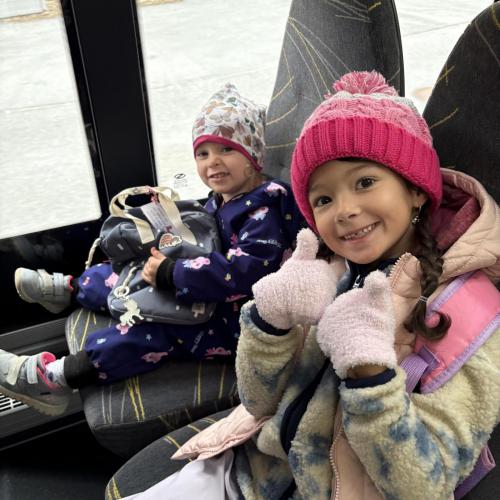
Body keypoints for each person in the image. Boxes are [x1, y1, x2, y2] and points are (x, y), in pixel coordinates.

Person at [117, 71, 500, 499]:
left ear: (415, 189)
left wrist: (370, 378)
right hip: (249, 470)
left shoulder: (471, 316)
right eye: (323, 199)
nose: (344, 210)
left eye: (365, 182)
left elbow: (424, 487)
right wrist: (268, 323)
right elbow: (259, 402)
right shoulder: (329, 269)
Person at [0, 83, 306, 417]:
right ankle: (71, 289)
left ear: (253, 156)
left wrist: (173, 273)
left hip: (231, 319)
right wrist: (165, 245)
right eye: (203, 154)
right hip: (200, 284)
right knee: (124, 272)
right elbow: (203, 243)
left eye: (226, 149)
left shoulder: (263, 211)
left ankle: (55, 379)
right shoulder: (223, 198)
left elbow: (247, 272)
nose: (213, 162)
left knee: (150, 330)